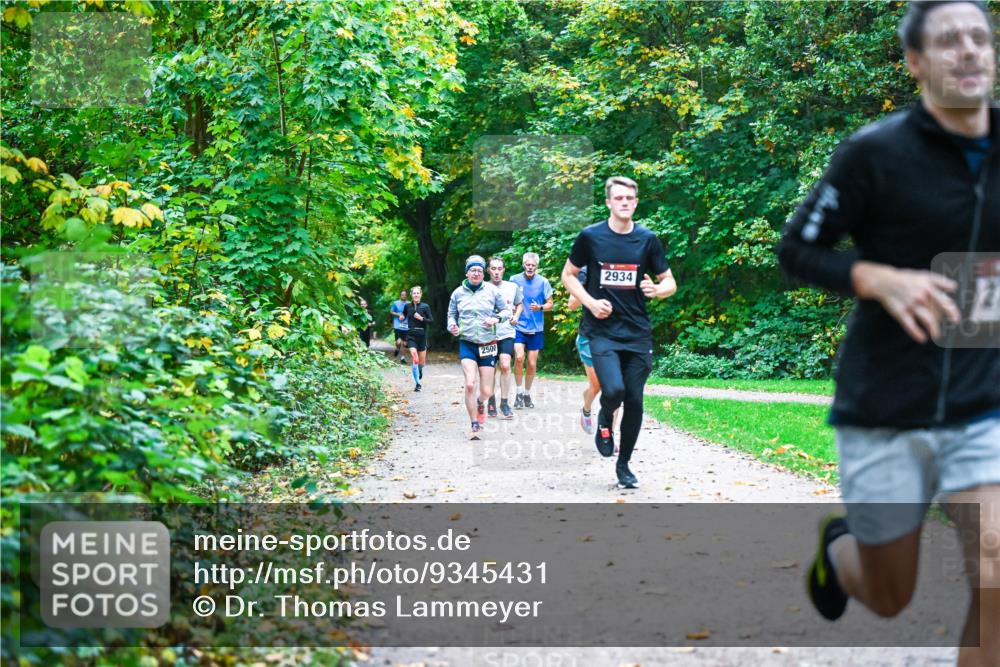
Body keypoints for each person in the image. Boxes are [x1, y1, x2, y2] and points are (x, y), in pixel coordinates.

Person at [777, 3, 999, 663]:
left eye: (979, 37)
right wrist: (879, 278)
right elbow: (799, 249)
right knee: (889, 592)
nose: (967, 50)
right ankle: (840, 551)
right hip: (885, 404)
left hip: (982, 401)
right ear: (915, 62)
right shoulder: (875, 153)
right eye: (947, 40)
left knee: (996, 565)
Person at [562, 176, 676, 489]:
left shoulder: (647, 239)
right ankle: (603, 418)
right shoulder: (591, 237)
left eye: (630, 198)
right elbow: (568, 275)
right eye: (619, 198)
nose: (624, 202)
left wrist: (657, 289)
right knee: (613, 391)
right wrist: (589, 301)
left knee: (635, 401)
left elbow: (670, 281)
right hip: (602, 331)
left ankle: (624, 465)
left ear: (636, 203)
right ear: (609, 203)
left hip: (637, 332)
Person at [447, 255, 511, 439]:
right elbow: (451, 315)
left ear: (483, 273)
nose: (476, 273)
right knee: (469, 383)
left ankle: (481, 402)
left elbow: (507, 311)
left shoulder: (492, 291)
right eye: (473, 270)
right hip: (467, 343)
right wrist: (452, 326)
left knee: (487, 391)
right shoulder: (458, 293)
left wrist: (496, 318)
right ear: (467, 273)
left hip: (488, 344)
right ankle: (474, 424)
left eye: (479, 271)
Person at [566, 265, 620, 440]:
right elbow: (571, 305)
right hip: (590, 338)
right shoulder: (585, 271)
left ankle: (609, 434)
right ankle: (587, 408)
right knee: (596, 386)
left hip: (616, 337)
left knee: (614, 388)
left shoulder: (623, 268)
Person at [510, 252, 554, 409]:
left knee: (531, 363)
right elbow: (508, 300)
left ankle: (527, 394)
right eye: (527, 265)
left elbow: (551, 304)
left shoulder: (543, 282)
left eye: (533, 265)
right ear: (523, 265)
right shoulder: (514, 280)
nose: (530, 267)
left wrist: (540, 307)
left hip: (536, 328)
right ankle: (518, 392)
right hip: (518, 327)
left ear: (536, 266)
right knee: (519, 358)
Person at [487, 256, 524, 419]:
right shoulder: (482, 287)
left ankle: (504, 403)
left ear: (504, 270)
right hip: (486, 335)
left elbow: (520, 304)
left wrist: (516, 315)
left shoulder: (512, 287)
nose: (496, 272)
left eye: (499, 269)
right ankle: (491, 401)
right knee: (489, 370)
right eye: (493, 269)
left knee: (505, 365)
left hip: (507, 332)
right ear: (488, 270)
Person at [403, 286, 433, 392]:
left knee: (421, 363)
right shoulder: (407, 306)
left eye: (417, 293)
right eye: (414, 293)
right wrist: (402, 317)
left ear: (421, 294)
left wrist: (421, 318)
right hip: (411, 335)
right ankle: (417, 383)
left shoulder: (425, 306)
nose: (416, 295)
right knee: (415, 359)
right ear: (411, 295)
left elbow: (431, 320)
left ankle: (419, 370)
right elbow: (404, 314)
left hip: (422, 336)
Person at [390, 289, 409, 360]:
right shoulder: (396, 303)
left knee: (405, 344)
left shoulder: (409, 303)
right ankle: (397, 349)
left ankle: (403, 357)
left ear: (406, 296)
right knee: (398, 342)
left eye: (405, 295)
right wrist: (398, 314)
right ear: (400, 295)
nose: (403, 296)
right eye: (402, 295)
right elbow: (391, 312)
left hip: (406, 325)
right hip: (397, 325)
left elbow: (412, 312)